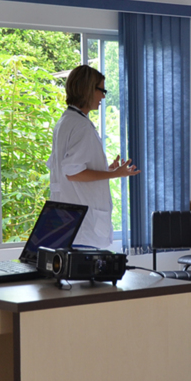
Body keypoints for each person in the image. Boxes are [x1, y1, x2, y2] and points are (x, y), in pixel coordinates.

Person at [48, 65, 139, 249]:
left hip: (69, 223)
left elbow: (71, 170)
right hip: (84, 228)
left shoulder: (66, 122)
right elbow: (73, 173)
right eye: (101, 90)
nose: (103, 97)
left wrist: (107, 170)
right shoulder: (81, 126)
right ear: (88, 89)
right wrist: (115, 174)